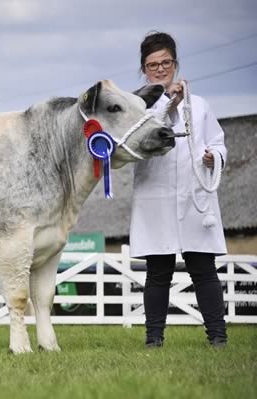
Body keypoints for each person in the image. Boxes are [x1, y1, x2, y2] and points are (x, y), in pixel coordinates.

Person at [130, 31, 228, 348]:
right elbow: (139, 135)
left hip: (193, 197)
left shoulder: (199, 106)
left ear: (175, 62)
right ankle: (153, 339)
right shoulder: (136, 106)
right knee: (158, 272)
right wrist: (166, 100)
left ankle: (218, 336)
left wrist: (216, 156)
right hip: (156, 198)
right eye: (152, 64)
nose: (160, 69)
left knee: (204, 270)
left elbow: (218, 141)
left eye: (166, 62)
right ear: (144, 68)